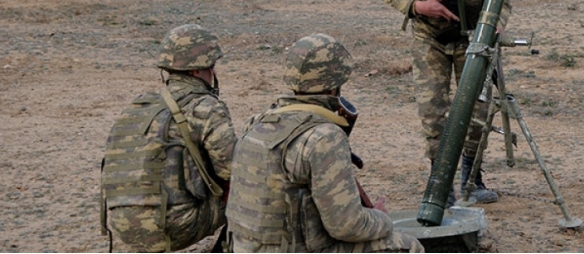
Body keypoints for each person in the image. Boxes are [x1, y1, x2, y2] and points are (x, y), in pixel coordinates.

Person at [374, 0, 511, 204]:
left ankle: (471, 178)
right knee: (433, 113)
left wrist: (496, 27)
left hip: (472, 40)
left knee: (476, 113)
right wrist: (418, 6)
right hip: (429, 38)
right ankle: (440, 184)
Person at [225, 33, 423, 253]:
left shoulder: (256, 123)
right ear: (335, 84)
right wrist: (382, 219)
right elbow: (347, 226)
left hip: (243, 248)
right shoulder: (323, 136)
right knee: (408, 246)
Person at [101, 23, 237, 252]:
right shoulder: (205, 107)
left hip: (123, 226)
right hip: (171, 227)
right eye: (211, 66)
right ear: (197, 70)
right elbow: (233, 172)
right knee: (255, 194)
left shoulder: (140, 106)